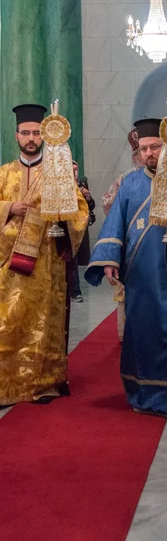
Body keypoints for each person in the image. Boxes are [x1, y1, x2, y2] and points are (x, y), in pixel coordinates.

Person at [85, 118, 167, 421]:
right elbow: (115, 223)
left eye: (154, 146)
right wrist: (109, 260)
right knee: (142, 336)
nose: (148, 154)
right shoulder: (129, 184)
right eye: (143, 148)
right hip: (141, 278)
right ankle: (143, 395)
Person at [0, 104, 88, 406]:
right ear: (16, 136)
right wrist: (9, 208)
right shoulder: (4, 173)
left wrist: (59, 215)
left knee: (42, 323)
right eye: (25, 132)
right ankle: (6, 385)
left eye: (36, 132)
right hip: (8, 269)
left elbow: (79, 213)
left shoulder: (58, 174)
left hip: (45, 265)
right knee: (6, 325)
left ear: (45, 136)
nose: (31, 138)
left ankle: (42, 384)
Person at [101, 128, 143, 342]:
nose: (143, 157)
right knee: (126, 292)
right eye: (139, 153)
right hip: (128, 241)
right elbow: (107, 202)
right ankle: (125, 334)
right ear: (135, 156)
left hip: (150, 241)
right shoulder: (124, 179)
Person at [68, 161, 96, 303]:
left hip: (81, 226)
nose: (74, 172)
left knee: (76, 260)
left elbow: (91, 205)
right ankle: (72, 291)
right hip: (67, 226)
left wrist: (88, 197)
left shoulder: (82, 185)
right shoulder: (64, 185)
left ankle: (75, 291)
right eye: (71, 169)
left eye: (76, 169)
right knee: (70, 260)